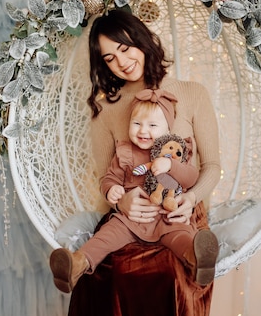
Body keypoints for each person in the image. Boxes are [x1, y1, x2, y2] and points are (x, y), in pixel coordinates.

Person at [50, 8, 221, 316]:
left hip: (179, 211)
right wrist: (122, 199)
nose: (122, 60)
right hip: (130, 211)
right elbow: (102, 177)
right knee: (111, 274)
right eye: (109, 55)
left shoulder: (190, 94)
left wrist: (188, 200)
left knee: (172, 274)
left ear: (142, 40)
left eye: (125, 46)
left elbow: (213, 166)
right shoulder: (108, 110)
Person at [49, 87, 219, 293]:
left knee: (182, 235)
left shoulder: (176, 152)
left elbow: (191, 177)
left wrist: (171, 167)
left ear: (168, 130)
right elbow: (110, 176)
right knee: (107, 235)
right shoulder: (126, 152)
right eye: (136, 123)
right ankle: (77, 264)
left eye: (152, 125)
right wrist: (111, 190)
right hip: (131, 219)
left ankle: (196, 259)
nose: (142, 131)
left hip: (168, 215)